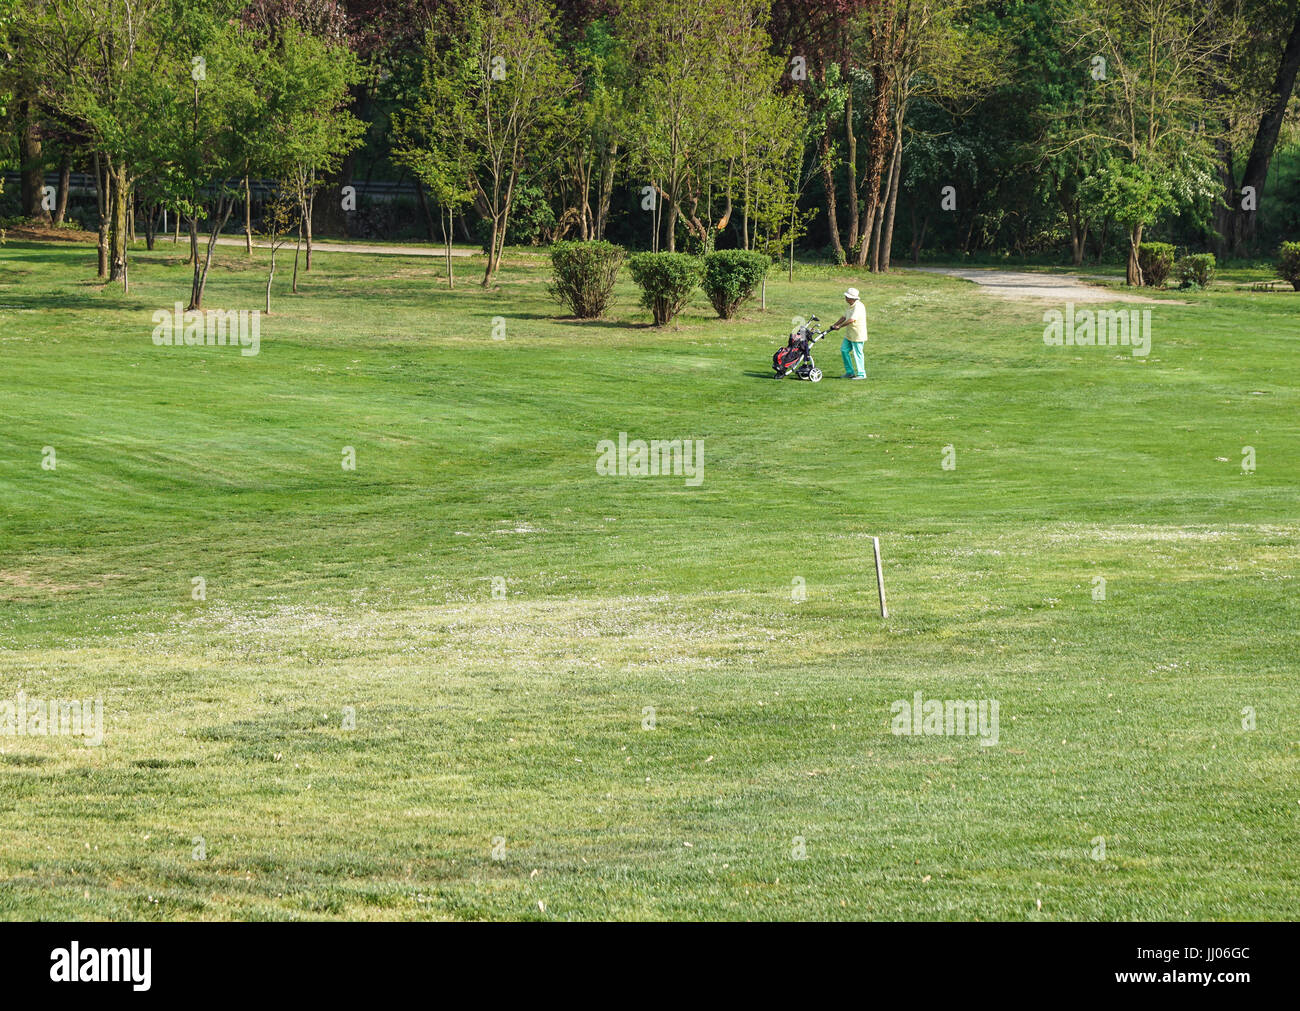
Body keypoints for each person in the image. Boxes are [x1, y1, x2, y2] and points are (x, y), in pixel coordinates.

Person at [828, 287, 867, 380]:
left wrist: (840, 327)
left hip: (858, 334)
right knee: (844, 350)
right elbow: (844, 317)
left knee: (858, 353)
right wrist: (834, 325)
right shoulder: (850, 306)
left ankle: (862, 374)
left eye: (847, 297)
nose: (845, 298)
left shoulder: (859, 306)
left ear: (852, 298)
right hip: (849, 334)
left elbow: (851, 319)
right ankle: (850, 372)